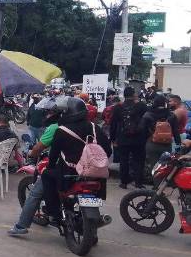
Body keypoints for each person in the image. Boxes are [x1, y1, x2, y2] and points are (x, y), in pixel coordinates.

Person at [41, 98, 111, 227]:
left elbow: (53, 155)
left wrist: (50, 167)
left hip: (69, 175)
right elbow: (108, 151)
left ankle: (54, 213)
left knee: (46, 174)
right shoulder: (94, 127)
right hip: (96, 174)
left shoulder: (61, 130)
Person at [8, 104, 63, 236]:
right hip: (86, 169)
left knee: (35, 194)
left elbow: (39, 148)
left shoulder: (56, 127)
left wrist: (31, 154)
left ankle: (21, 226)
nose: (48, 115)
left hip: (62, 167)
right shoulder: (91, 126)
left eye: (50, 113)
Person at [110, 86, 148, 189]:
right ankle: (138, 182)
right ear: (134, 95)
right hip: (138, 139)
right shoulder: (142, 106)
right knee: (139, 160)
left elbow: (113, 124)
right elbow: (146, 121)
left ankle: (124, 182)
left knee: (124, 160)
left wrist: (113, 138)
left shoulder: (118, 107)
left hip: (123, 138)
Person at [141, 95, 181, 174]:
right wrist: (178, 146)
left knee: (154, 167)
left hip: (152, 143)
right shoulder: (171, 115)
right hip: (167, 144)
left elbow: (142, 129)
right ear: (164, 103)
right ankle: (163, 184)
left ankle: (156, 185)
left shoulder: (148, 114)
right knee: (165, 166)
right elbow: (176, 132)